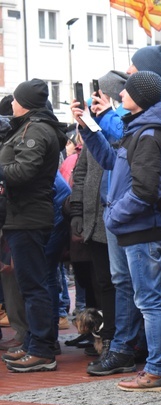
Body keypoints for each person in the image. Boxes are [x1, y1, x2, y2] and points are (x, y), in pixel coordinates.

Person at [72, 70, 161, 391]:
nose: (120, 95)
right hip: (135, 226)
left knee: (151, 300)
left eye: (127, 92)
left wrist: (114, 215)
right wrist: (88, 129)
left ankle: (159, 369)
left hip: (141, 229)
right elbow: (111, 160)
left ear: (140, 98)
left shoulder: (148, 135)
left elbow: (146, 191)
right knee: (158, 295)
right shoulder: (139, 129)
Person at [0, 79, 67, 372]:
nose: (11, 104)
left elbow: (24, 172)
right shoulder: (31, 126)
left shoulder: (35, 129)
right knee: (31, 284)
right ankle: (33, 344)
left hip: (28, 216)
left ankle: (41, 349)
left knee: (34, 285)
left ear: (24, 102)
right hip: (23, 215)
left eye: (14, 99)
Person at [70, 70, 129, 364]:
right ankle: (105, 338)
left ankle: (119, 340)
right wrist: (78, 212)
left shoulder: (121, 131)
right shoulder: (93, 130)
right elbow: (80, 174)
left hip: (116, 220)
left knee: (120, 284)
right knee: (101, 283)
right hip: (95, 221)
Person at [90, 46, 161, 142]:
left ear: (146, 71)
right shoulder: (133, 96)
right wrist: (94, 119)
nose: (128, 70)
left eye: (133, 65)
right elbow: (112, 138)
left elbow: (136, 137)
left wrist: (106, 114)